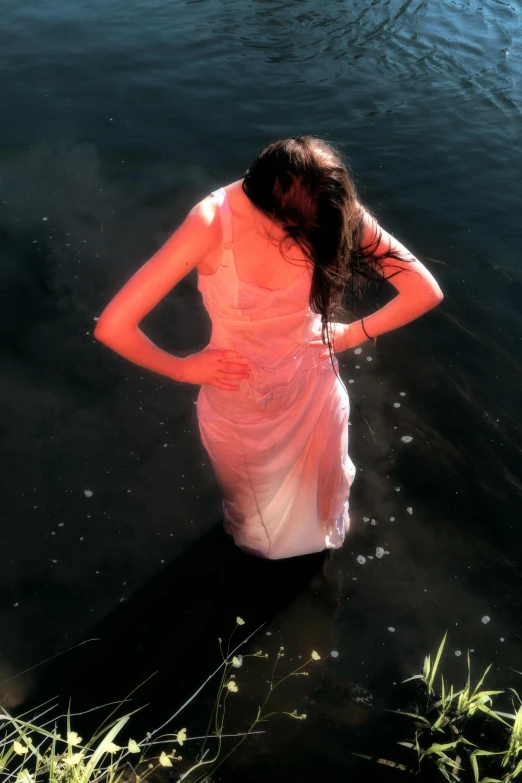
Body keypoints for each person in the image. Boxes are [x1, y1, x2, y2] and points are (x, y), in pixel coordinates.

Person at [94, 136, 443, 560]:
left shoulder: (331, 211)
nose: (306, 242)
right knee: (255, 529)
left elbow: (424, 290)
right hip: (242, 408)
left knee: (322, 505)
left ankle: (317, 552)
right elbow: (114, 326)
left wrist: (351, 334)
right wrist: (183, 369)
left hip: (315, 393)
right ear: (264, 204)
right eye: (296, 230)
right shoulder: (210, 224)